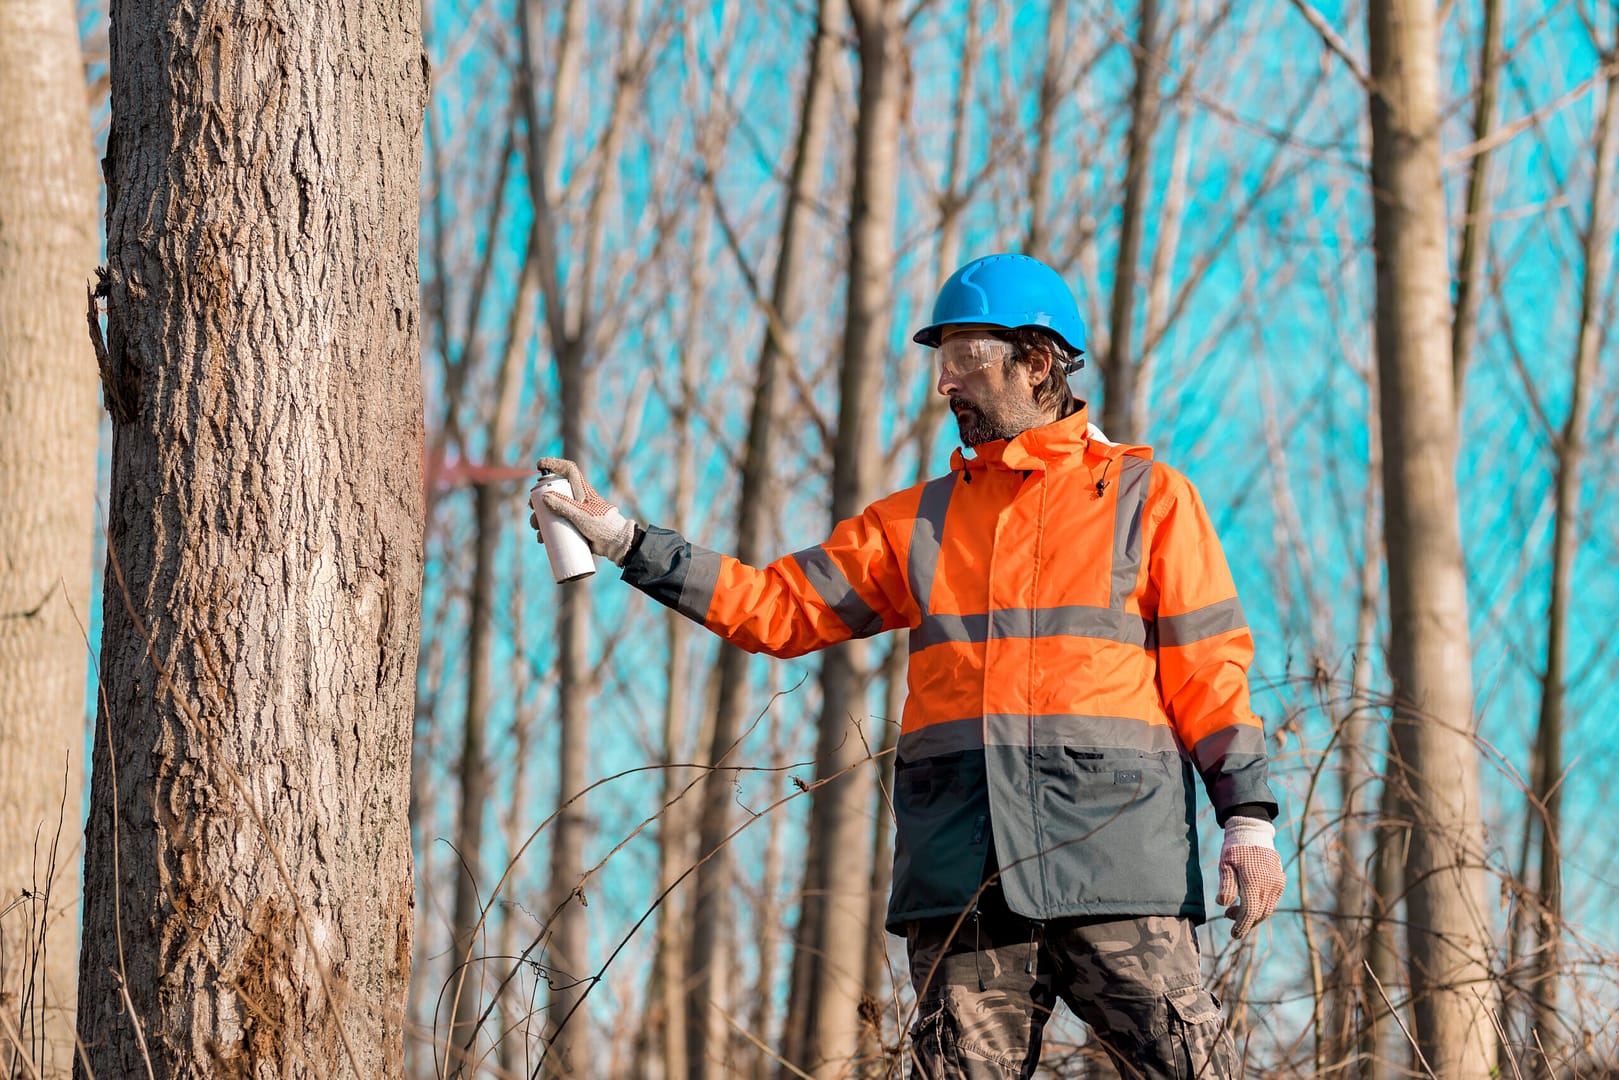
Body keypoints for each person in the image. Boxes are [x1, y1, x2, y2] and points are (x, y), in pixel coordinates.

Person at [530, 253, 1284, 1078]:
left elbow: (1208, 670)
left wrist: (1246, 819)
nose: (944, 385)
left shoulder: (1149, 499)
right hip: (963, 887)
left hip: (1118, 874)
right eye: (940, 361)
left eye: (965, 359)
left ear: (1037, 362)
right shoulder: (915, 522)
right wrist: (627, 541)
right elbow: (776, 608)